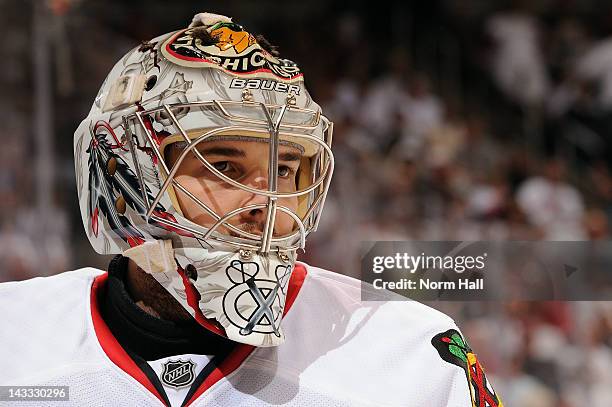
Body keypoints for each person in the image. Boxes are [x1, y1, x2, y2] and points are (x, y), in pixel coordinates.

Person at [0, 12, 503, 407]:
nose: (265, 202)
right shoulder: (14, 336)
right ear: (124, 170)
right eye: (223, 164)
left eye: (285, 169)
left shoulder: (410, 354)